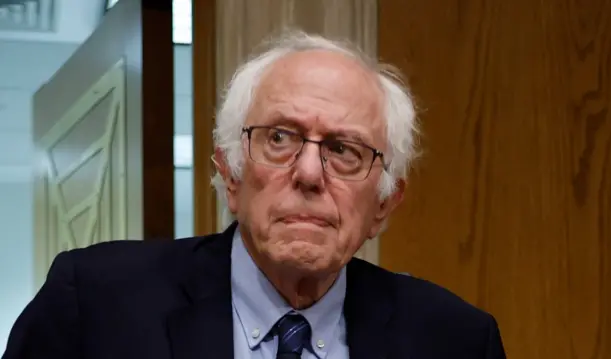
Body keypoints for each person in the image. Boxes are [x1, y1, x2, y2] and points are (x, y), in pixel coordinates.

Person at [3, 31, 506, 359]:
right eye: (280, 138)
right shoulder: (92, 304)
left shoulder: (457, 341)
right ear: (231, 175)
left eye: (345, 149)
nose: (309, 173)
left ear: (384, 204)